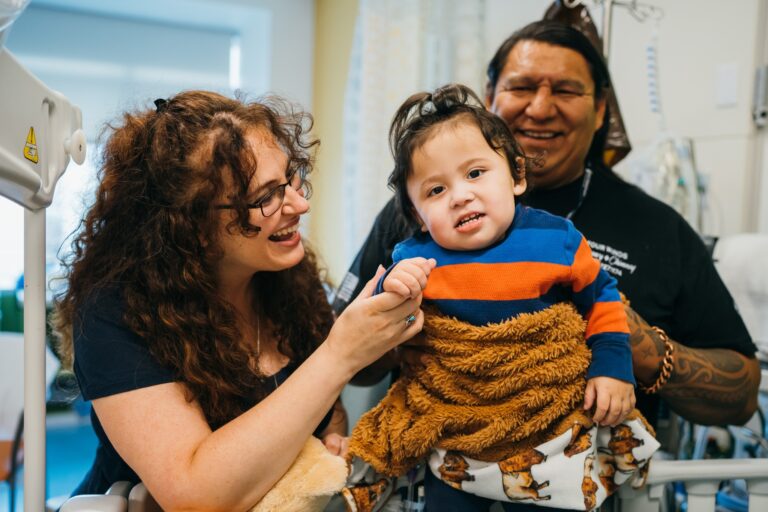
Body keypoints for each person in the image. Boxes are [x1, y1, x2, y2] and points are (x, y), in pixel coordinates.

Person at [333, 20, 760, 430]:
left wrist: (636, 345)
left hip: (573, 480)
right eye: (520, 87)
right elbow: (339, 354)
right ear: (491, 97)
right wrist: (402, 327)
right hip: (440, 462)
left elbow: (742, 396)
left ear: (599, 112)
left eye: (566, 90)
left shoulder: (657, 229)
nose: (539, 108)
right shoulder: (425, 219)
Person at [52, 90, 425, 511]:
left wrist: (331, 446)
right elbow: (194, 496)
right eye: (265, 198)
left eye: (292, 177)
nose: (300, 204)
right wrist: (340, 356)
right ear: (188, 223)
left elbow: (325, 415)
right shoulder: (115, 312)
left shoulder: (285, 276)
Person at [347, 83, 658, 512]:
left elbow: (602, 300)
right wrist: (394, 287)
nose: (460, 195)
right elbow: (379, 316)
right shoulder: (414, 257)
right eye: (435, 190)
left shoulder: (557, 240)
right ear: (418, 213)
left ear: (516, 176)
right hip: (458, 427)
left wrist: (613, 369)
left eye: (475, 173)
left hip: (545, 424)